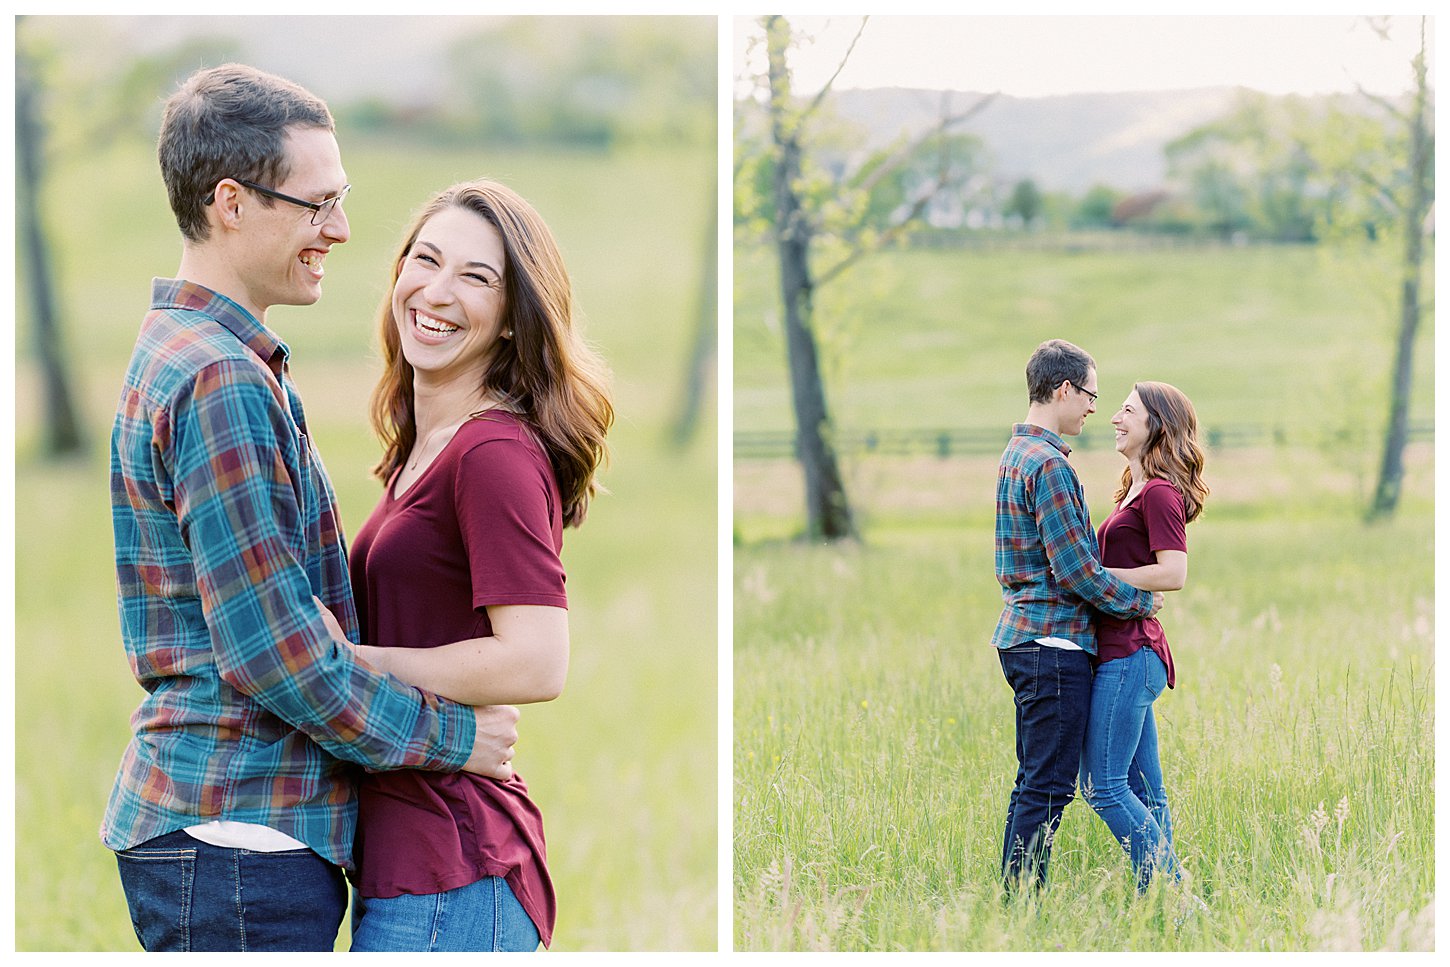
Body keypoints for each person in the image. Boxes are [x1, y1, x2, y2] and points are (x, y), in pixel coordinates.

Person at [104, 64, 521, 952]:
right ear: (231, 203)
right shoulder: (220, 378)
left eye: (343, 198)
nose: (340, 229)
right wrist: (456, 736)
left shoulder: (194, 350)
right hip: (239, 835)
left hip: (228, 838)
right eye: (316, 203)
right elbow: (275, 654)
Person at [322, 179, 612, 952]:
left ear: (514, 322)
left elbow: (537, 659)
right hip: (409, 864)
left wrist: (354, 663)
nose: (437, 292)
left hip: (455, 868)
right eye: (426, 259)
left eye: (476, 278)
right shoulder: (423, 442)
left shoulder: (492, 452)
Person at [991, 338, 1163, 891]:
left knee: (1037, 781)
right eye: (1089, 394)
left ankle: (1021, 901)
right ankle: (1020, 906)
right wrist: (1142, 601)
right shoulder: (1049, 466)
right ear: (1063, 389)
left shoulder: (1015, 455)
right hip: (1054, 645)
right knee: (1045, 787)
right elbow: (1078, 573)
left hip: (1025, 638)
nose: (1095, 407)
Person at [1079, 382, 1209, 891]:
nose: (1114, 417)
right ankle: (1169, 912)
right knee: (1147, 793)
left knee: (1104, 787)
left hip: (1129, 655)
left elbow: (1173, 573)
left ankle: (1177, 897)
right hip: (1125, 653)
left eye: (1128, 410)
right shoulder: (1131, 488)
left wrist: (1095, 575)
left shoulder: (1157, 492)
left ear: (1157, 423)